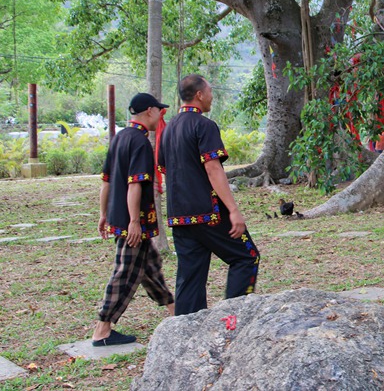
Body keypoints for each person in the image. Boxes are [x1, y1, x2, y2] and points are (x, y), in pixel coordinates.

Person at [158, 74, 260, 316]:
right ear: (199, 95)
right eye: (210, 91)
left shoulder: (169, 129)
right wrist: (233, 210)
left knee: (190, 275)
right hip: (208, 212)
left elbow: (164, 169)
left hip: (179, 216)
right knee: (247, 257)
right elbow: (213, 168)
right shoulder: (204, 126)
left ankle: (185, 331)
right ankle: (232, 320)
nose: (212, 96)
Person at [93, 93, 175, 346]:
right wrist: (134, 221)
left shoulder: (119, 138)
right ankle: (102, 329)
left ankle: (176, 312)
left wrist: (103, 214)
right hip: (132, 222)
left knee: (151, 268)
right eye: (159, 111)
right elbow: (134, 185)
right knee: (125, 271)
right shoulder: (140, 142)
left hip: (118, 217)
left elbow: (106, 181)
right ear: (149, 110)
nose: (160, 116)